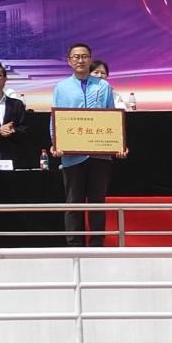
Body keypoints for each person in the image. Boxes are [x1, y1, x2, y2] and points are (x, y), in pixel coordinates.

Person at [52, 43, 129, 247]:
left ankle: (96, 244)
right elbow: (55, 117)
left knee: (97, 201)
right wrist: (55, 142)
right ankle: (74, 245)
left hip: (99, 154)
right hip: (72, 154)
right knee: (73, 202)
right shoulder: (61, 87)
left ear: (90, 59)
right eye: (76, 57)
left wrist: (119, 143)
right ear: (69, 61)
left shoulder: (103, 86)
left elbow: (112, 116)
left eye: (84, 56)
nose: (80, 60)